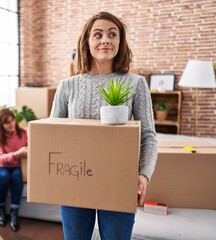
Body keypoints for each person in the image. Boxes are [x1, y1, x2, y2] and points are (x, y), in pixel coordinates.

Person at [50, 12, 157, 240]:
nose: (105, 40)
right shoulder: (66, 87)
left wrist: (143, 175)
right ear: (87, 42)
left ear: (120, 41)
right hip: (74, 184)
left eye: (112, 34)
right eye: (97, 34)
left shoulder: (136, 84)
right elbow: (52, 136)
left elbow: (148, 136)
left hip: (119, 182)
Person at [0, 108, 27, 232]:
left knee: (17, 176)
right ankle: (1, 208)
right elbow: (0, 158)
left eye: (12, 120)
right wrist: (18, 154)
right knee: (4, 176)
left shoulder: (24, 133)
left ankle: (14, 212)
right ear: (1, 125)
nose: (11, 124)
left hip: (16, 166)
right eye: (7, 122)